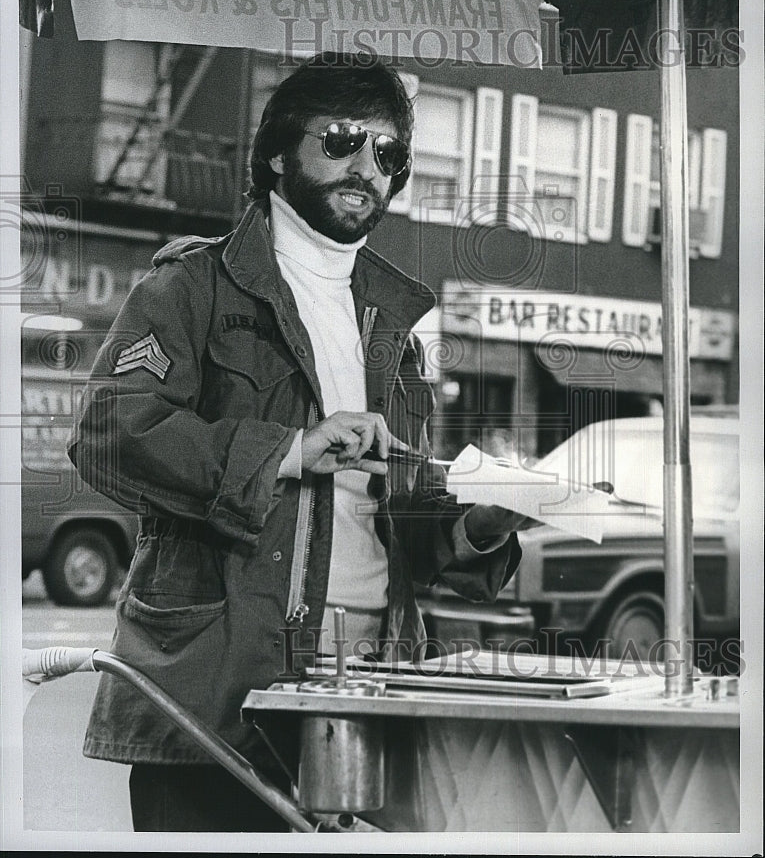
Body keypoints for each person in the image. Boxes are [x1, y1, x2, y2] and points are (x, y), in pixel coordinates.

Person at [68, 51, 539, 832]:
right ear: (279, 153)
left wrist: (477, 528)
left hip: (369, 690)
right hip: (217, 693)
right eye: (343, 140)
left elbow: (396, 524)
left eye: (388, 155)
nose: (366, 167)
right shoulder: (190, 288)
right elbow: (109, 434)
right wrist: (288, 449)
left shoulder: (395, 327)